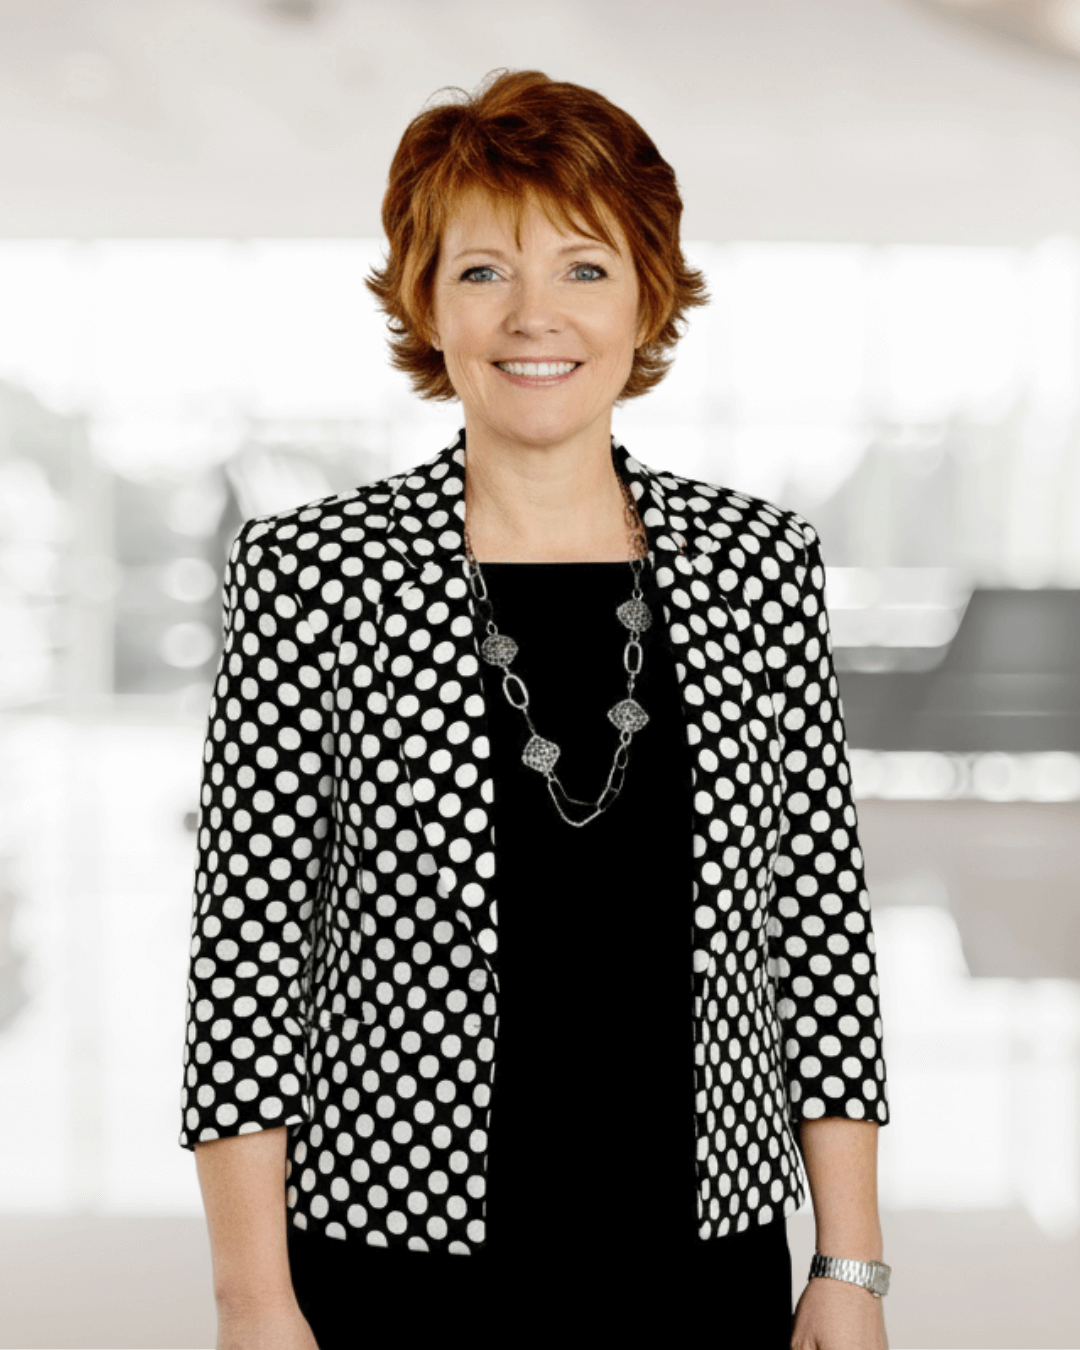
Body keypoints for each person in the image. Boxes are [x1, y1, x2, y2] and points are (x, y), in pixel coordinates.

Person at [181, 69, 892, 1350]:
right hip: (395, 1260)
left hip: (701, 1257)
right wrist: (252, 1299)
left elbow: (820, 933)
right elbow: (246, 960)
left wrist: (851, 1265)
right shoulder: (308, 572)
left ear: (645, 294)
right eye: (480, 273)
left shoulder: (761, 563)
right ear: (424, 303)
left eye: (581, 267)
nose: (532, 318)